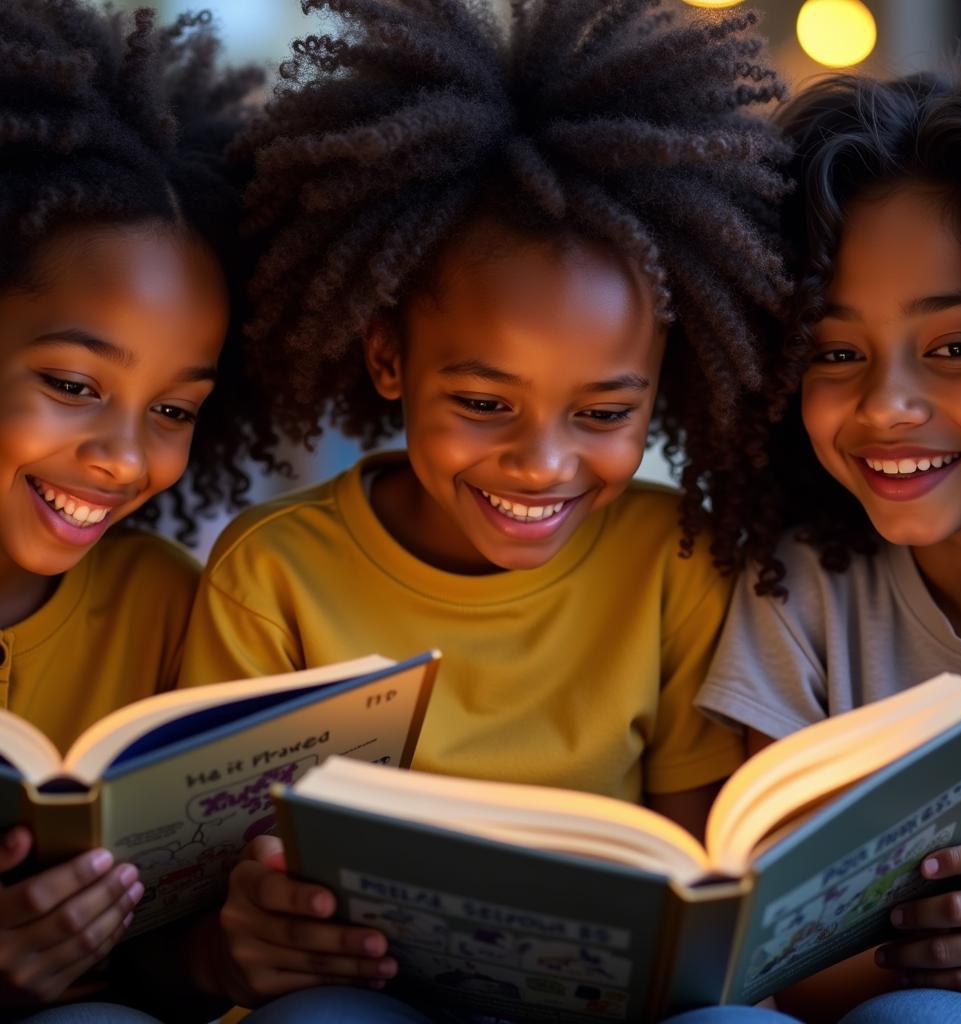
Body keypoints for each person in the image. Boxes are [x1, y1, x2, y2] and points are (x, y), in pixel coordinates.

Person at [174, 1, 797, 1019]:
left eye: (603, 410)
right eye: (480, 403)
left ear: (660, 387)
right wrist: (259, 931)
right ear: (388, 359)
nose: (543, 463)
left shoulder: (670, 555)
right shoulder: (273, 575)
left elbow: (699, 873)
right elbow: (212, 907)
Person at [696, 57, 961, 1024]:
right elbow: (782, 957)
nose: (885, 406)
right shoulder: (804, 591)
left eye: (957, 346)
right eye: (836, 353)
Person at [0, 1, 259, 1018]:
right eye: (72, 383)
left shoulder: (170, 610)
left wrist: (220, 961)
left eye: (174, 409)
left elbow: (166, 964)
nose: (121, 456)